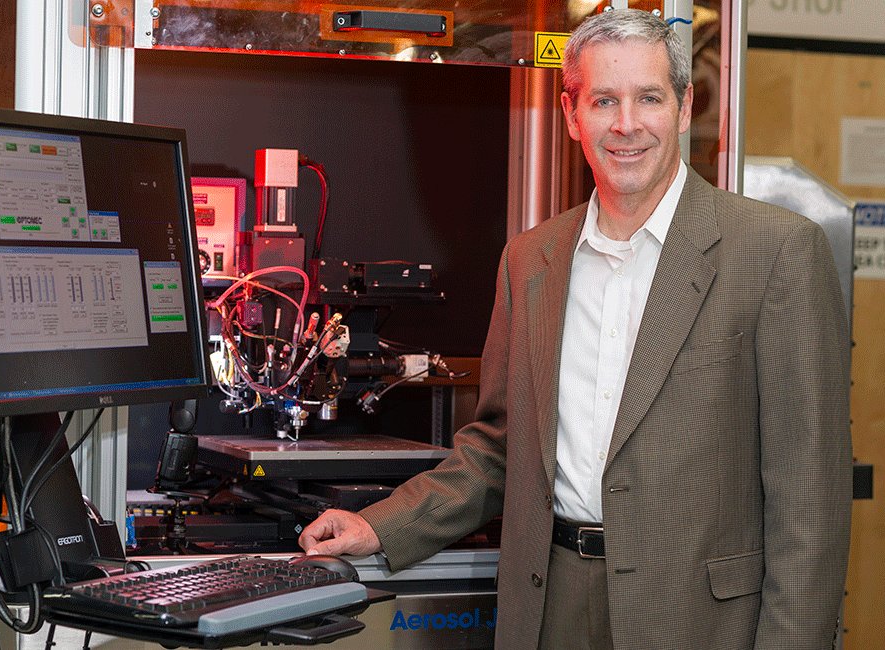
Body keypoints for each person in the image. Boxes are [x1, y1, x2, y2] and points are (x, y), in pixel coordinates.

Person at [299, 8, 852, 650]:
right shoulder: (531, 259)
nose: (626, 124)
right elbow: (500, 448)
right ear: (571, 115)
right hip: (551, 604)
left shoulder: (776, 251)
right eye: (603, 100)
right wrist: (381, 528)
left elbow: (807, 498)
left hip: (700, 623)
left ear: (683, 106)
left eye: (648, 98)